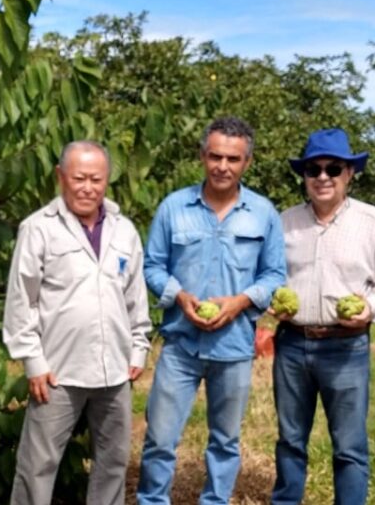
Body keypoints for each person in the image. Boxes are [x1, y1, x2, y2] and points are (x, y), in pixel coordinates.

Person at [137, 117, 287, 505]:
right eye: (215, 156)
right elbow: (152, 265)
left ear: (247, 163)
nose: (223, 166)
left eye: (233, 159)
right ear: (202, 156)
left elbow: (274, 274)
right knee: (159, 438)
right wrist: (179, 296)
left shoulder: (263, 213)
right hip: (181, 345)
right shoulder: (174, 207)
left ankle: (215, 501)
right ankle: (153, 500)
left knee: (225, 440)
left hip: (234, 346)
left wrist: (240, 302)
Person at [2, 140, 152, 505]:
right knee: (37, 464)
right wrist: (32, 361)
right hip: (57, 372)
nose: (88, 187)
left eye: (96, 179)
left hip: (115, 370)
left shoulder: (124, 231)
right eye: (79, 178)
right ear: (60, 177)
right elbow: (22, 299)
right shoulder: (38, 229)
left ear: (107, 180)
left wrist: (139, 346)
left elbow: (135, 296)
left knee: (113, 461)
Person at [269, 128, 375, 505]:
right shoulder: (284, 223)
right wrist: (271, 300)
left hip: (345, 347)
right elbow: (267, 278)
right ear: (304, 176)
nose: (323, 177)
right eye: (314, 169)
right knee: (290, 440)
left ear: (349, 173)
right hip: (293, 344)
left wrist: (370, 309)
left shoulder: (373, 222)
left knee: (348, 446)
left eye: (333, 168)